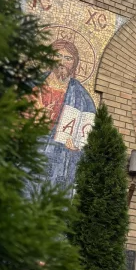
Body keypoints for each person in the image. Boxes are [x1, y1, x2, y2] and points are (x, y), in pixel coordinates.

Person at [36, 38, 96, 190]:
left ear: (74, 64)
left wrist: (77, 147)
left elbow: (87, 136)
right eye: (58, 55)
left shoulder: (82, 97)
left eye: (68, 58)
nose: (62, 62)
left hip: (59, 165)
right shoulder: (33, 84)